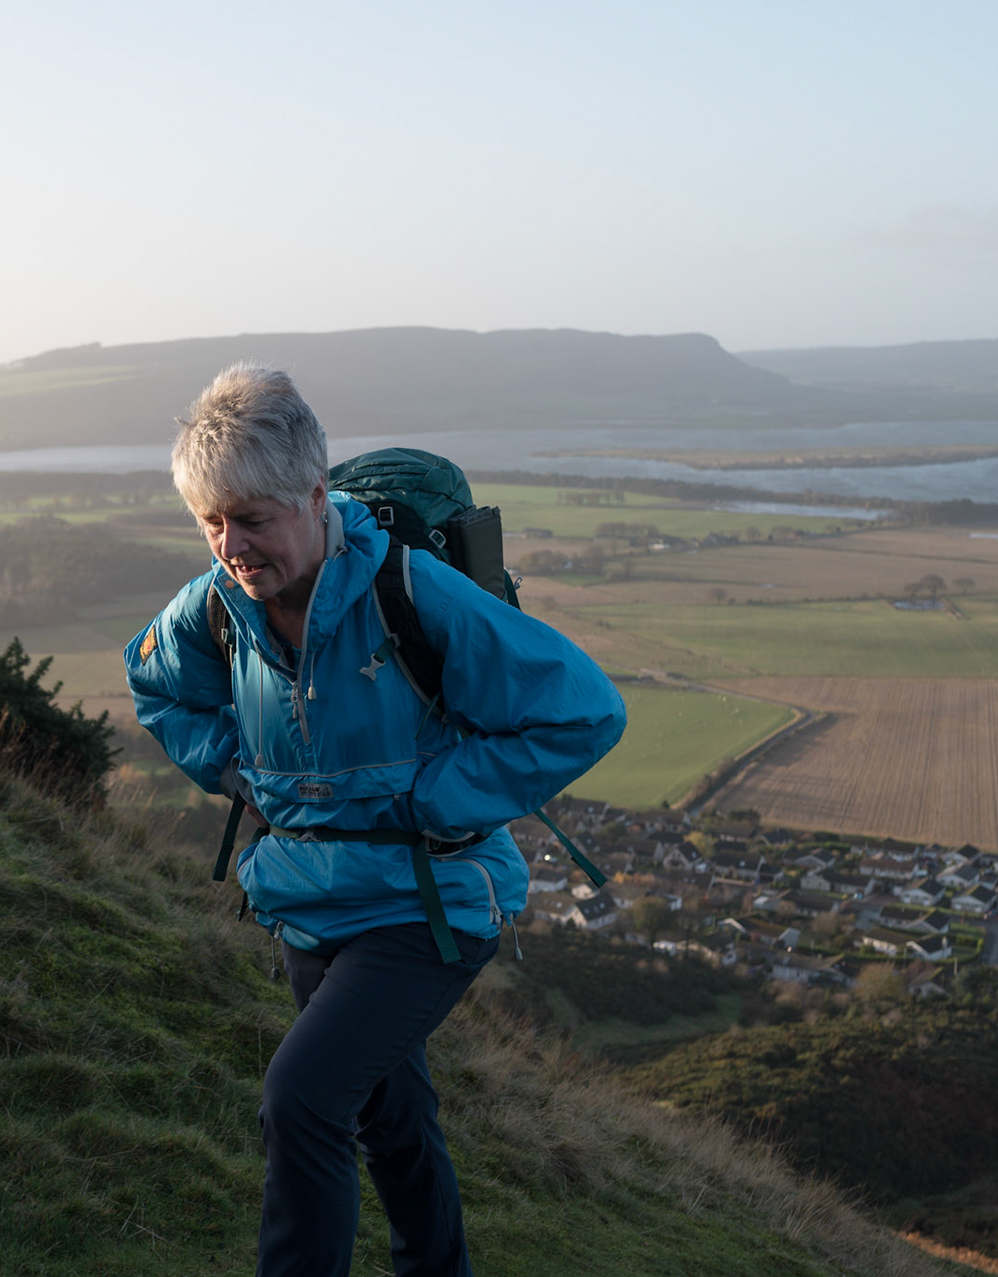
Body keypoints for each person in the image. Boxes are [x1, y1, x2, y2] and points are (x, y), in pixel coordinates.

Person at [124, 363, 625, 1277]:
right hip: (310, 899)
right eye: (212, 521)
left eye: (254, 518)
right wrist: (236, 769)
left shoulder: (411, 592)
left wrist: (436, 797)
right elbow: (155, 683)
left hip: (427, 904)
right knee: (389, 1118)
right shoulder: (219, 607)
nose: (232, 545)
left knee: (303, 1096)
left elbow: (584, 710)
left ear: (315, 497)